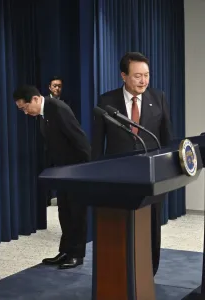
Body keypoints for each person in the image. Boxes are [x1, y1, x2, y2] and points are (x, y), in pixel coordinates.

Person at [91, 52, 173, 275]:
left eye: (146, 75)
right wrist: (95, 175)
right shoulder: (107, 101)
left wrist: (167, 173)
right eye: (137, 76)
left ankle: (149, 271)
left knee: (151, 227)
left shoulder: (158, 98)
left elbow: (166, 139)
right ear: (123, 76)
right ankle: (119, 271)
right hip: (118, 178)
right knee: (119, 226)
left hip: (151, 178)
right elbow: (98, 143)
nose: (143, 81)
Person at [13, 84, 91, 269]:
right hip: (62, 171)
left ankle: (77, 254)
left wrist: (87, 169)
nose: (25, 112)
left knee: (77, 213)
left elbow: (79, 139)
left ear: (35, 99)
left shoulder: (57, 108)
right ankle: (65, 251)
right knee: (64, 211)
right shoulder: (44, 114)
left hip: (77, 169)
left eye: (24, 108)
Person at [41, 76, 64, 206]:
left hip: (61, 145)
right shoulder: (44, 102)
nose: (57, 88)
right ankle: (47, 198)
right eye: (55, 85)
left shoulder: (66, 103)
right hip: (46, 144)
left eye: (59, 86)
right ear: (50, 87)